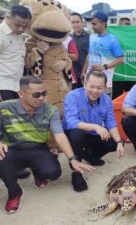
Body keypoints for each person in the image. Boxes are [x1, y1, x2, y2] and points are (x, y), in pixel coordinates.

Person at [0, 76, 94, 214]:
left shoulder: (50, 110)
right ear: (21, 93)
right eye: (36, 95)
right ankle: (14, 193)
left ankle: (38, 172)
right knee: (2, 158)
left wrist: (72, 158)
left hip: (38, 148)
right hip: (13, 149)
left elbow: (59, 135)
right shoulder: (4, 107)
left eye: (44, 93)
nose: (41, 98)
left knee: (53, 172)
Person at [63, 70, 124, 191]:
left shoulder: (106, 100)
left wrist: (119, 143)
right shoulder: (73, 96)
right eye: (92, 86)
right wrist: (96, 126)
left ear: (105, 87)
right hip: (73, 134)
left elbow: (110, 122)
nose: (95, 91)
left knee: (114, 142)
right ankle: (76, 172)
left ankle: (90, 156)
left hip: (91, 134)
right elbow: (71, 122)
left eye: (99, 87)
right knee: (77, 134)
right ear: (85, 83)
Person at [0, 5, 32, 179]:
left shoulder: (21, 36)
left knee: (14, 127)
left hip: (16, 86)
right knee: (7, 128)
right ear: (8, 17)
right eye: (17, 24)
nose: (20, 29)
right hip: (3, 86)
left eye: (24, 26)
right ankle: (11, 167)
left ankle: (15, 163)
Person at [82, 11, 124, 95]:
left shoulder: (112, 40)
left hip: (104, 84)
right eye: (91, 24)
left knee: (103, 107)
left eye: (94, 24)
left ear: (103, 23)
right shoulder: (92, 37)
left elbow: (121, 59)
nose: (92, 27)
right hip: (89, 81)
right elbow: (89, 54)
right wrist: (84, 70)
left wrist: (104, 67)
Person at [112, 17, 136, 99]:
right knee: (117, 96)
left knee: (130, 96)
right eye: (125, 24)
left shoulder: (133, 37)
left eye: (129, 24)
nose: (127, 26)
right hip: (118, 72)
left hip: (131, 72)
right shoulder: (113, 36)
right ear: (119, 25)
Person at [70, 12, 90, 89]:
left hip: (86, 74)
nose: (75, 24)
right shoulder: (68, 39)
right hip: (73, 75)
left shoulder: (90, 37)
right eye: (73, 22)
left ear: (82, 22)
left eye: (77, 22)